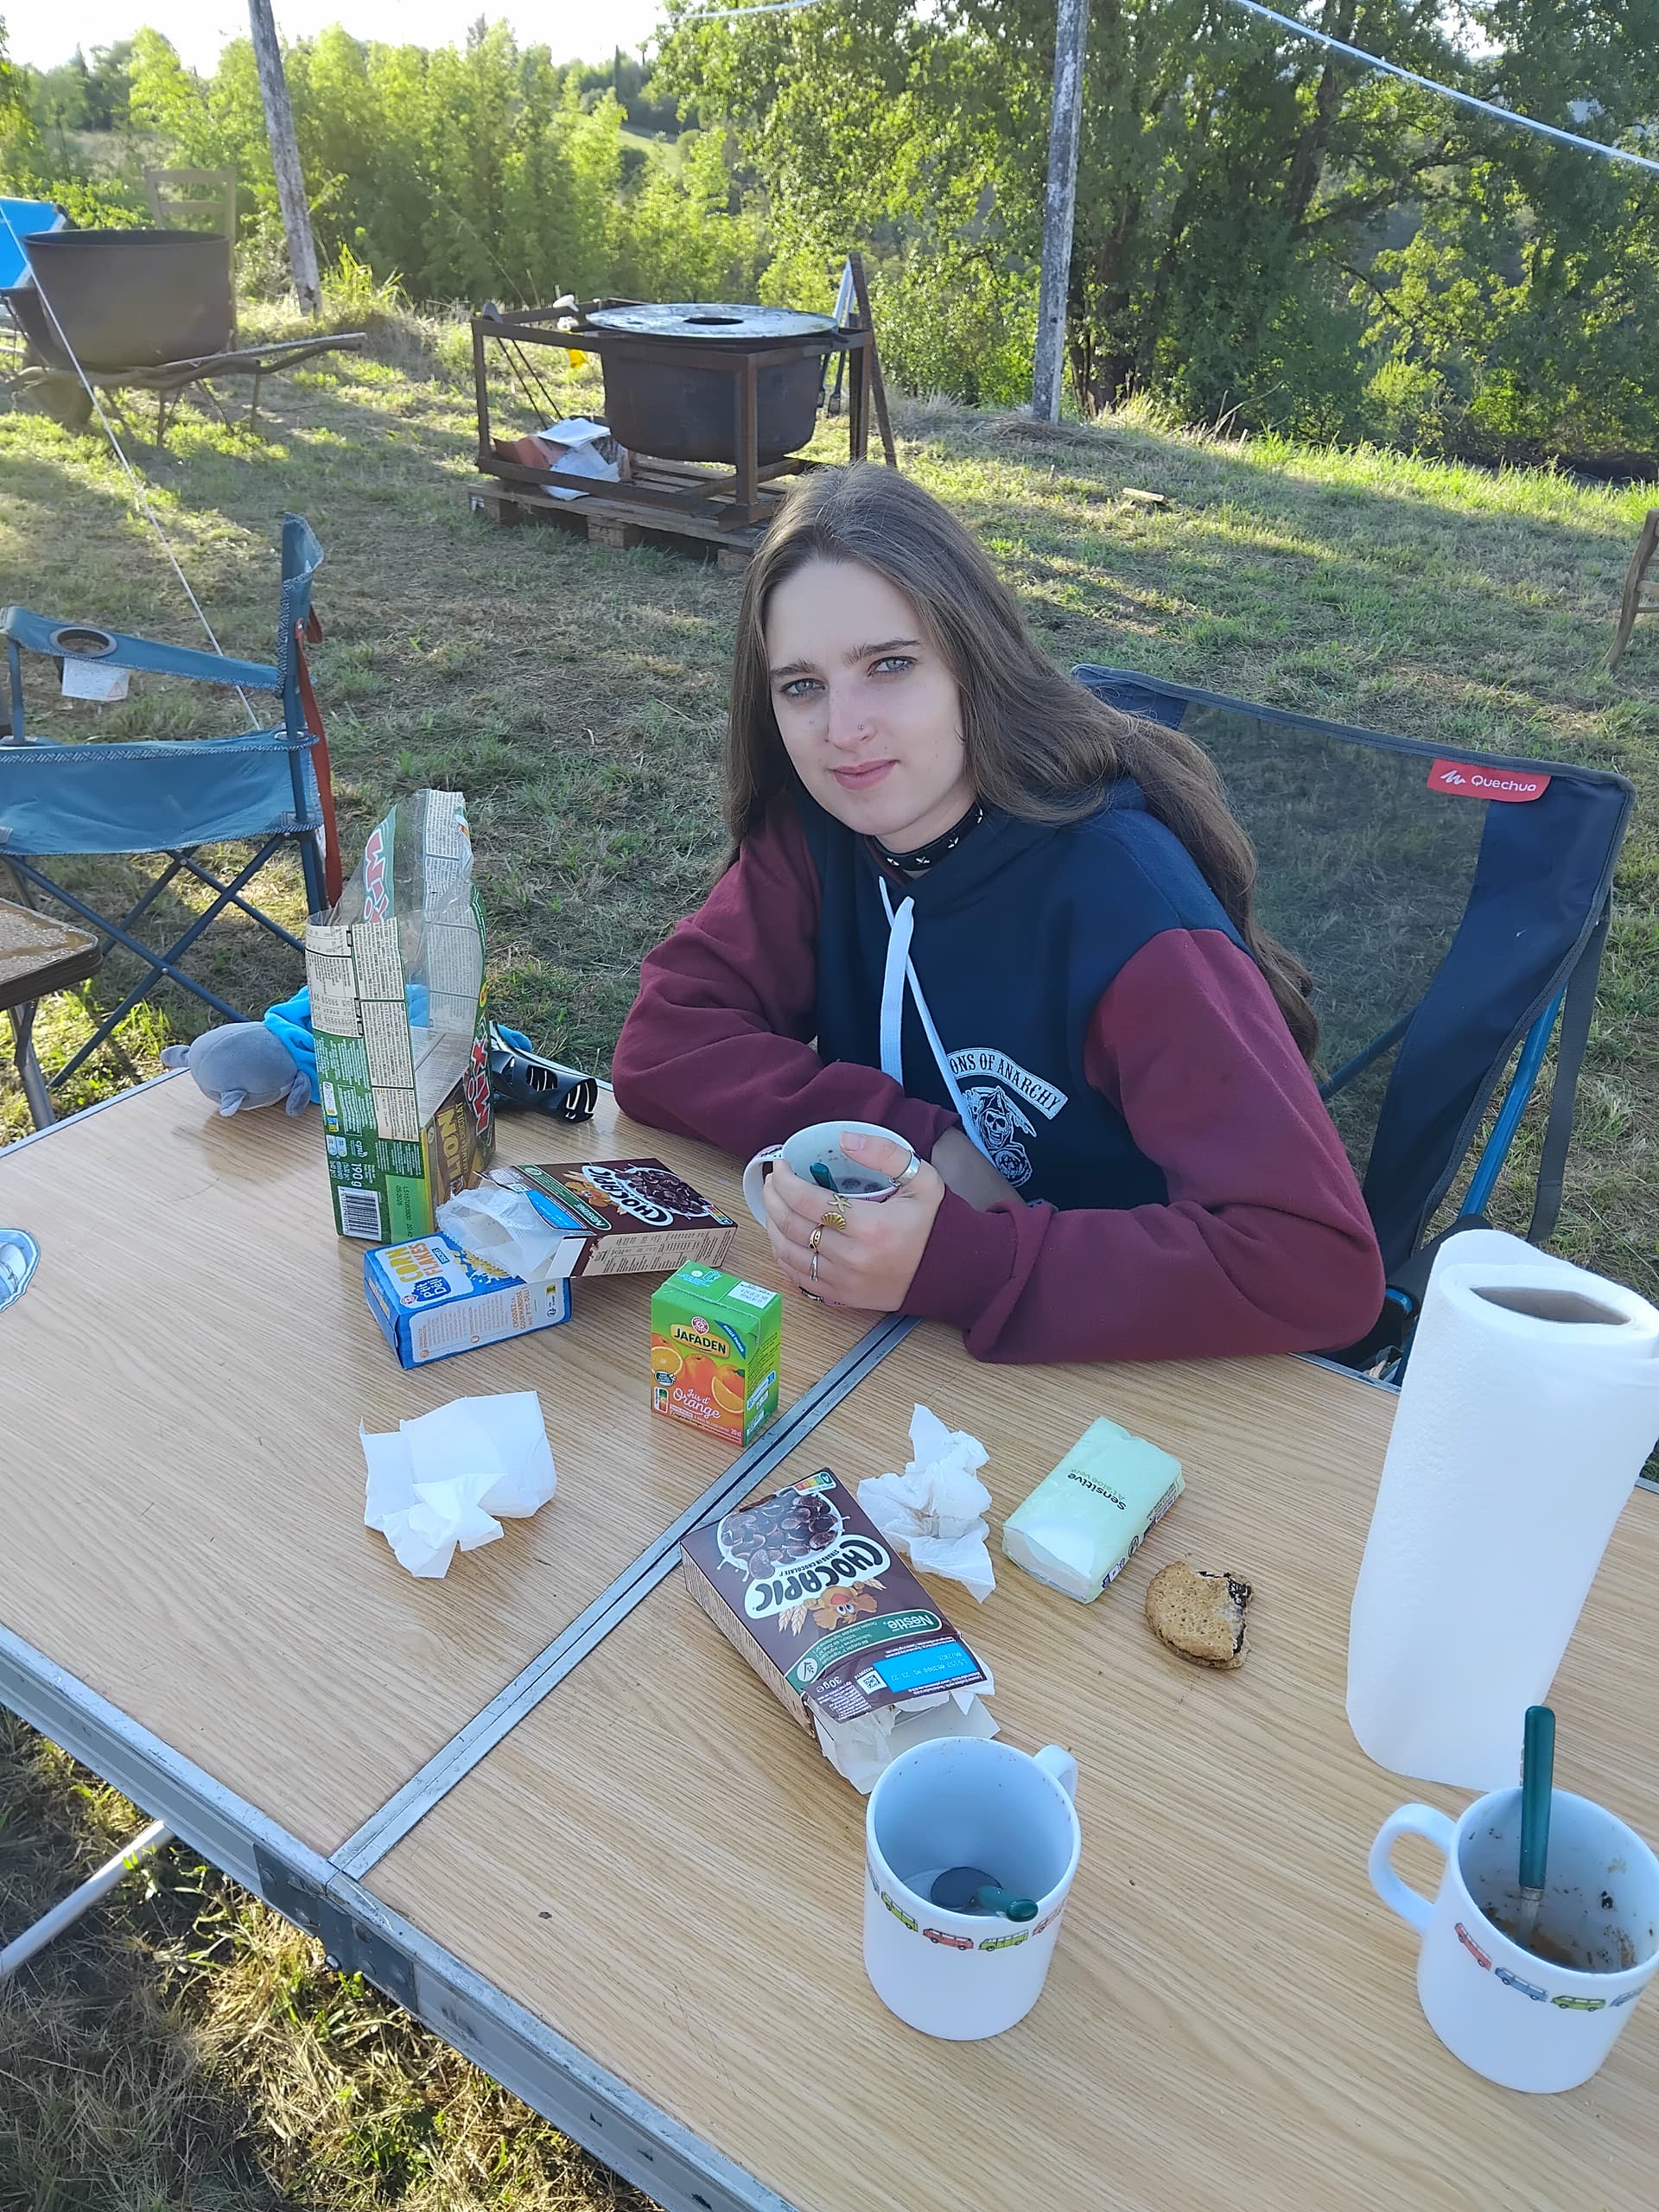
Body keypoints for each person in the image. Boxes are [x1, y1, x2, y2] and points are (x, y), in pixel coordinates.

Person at [612, 467, 1383, 1363]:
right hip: (896, 1351)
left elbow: (1317, 1264)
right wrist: (923, 1139)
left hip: (1122, 1377)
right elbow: (664, 1040)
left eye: (889, 666)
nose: (843, 729)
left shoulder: (1124, 910)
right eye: (802, 686)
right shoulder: (822, 830)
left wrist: (969, 1261)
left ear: (973, 661)